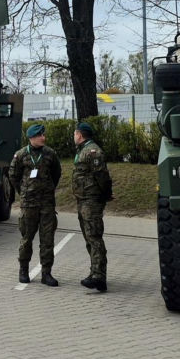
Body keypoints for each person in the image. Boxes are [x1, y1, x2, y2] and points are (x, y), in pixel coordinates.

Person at [8, 123, 63, 286]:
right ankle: (23, 270)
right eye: (40, 135)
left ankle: (46, 273)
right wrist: (24, 191)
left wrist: (48, 188)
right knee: (26, 239)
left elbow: (56, 173)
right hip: (29, 204)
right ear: (31, 138)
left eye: (43, 135)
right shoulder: (21, 155)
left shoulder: (50, 154)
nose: (43, 138)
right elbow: (13, 176)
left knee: (47, 240)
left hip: (47, 204)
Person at [72, 122, 113, 292]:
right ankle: (94, 272)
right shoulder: (82, 150)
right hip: (83, 200)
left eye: (75, 133)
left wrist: (105, 195)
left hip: (92, 201)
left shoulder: (93, 151)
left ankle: (99, 276)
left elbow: (102, 176)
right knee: (89, 238)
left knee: (94, 237)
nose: (74, 136)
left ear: (80, 135)